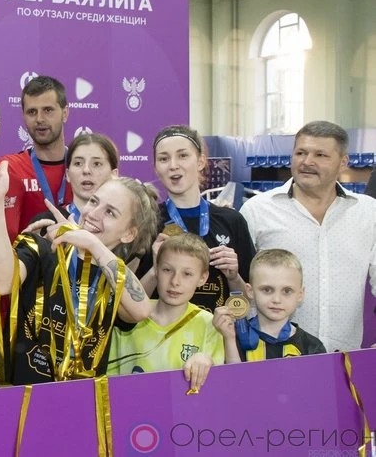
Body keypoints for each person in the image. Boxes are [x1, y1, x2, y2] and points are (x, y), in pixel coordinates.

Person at [0, 141, 157, 384]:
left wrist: (94, 246)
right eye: (94, 202)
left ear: (128, 234)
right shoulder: (44, 247)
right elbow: (2, 282)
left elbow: (141, 310)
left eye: (110, 212)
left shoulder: (113, 276)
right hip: (26, 396)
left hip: (84, 400)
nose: (93, 214)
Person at [240, 121, 376, 352]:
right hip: (268, 356)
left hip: (343, 359)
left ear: (343, 162)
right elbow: (239, 284)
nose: (307, 162)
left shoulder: (368, 212)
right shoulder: (257, 211)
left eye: (320, 155)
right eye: (301, 153)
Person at [138, 125, 255, 313]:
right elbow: (128, 306)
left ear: (200, 161)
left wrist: (234, 277)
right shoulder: (146, 222)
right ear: (156, 168)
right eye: (164, 158)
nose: (173, 165)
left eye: (183, 155)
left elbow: (250, 303)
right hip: (161, 331)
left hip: (216, 330)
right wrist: (155, 270)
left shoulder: (232, 221)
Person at [109, 234, 225, 391]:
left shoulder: (209, 324)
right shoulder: (128, 316)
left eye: (187, 274)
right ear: (156, 269)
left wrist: (207, 361)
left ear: (202, 278)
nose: (175, 281)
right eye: (167, 270)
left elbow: (217, 387)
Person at [0, 75, 72, 241]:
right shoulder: (8, 168)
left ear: (64, 113)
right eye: (32, 112)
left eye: (48, 110)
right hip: (22, 257)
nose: (40, 119)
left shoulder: (83, 169)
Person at [214, 249, 326, 362]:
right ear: (250, 291)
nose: (277, 300)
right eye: (267, 290)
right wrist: (229, 340)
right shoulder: (234, 336)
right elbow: (233, 374)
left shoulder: (312, 347)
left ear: (300, 294)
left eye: (287, 291)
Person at [28, 132, 119, 228]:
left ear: (114, 175)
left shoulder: (125, 224)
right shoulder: (46, 223)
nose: (86, 170)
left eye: (96, 164)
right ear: (68, 174)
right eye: (78, 163)